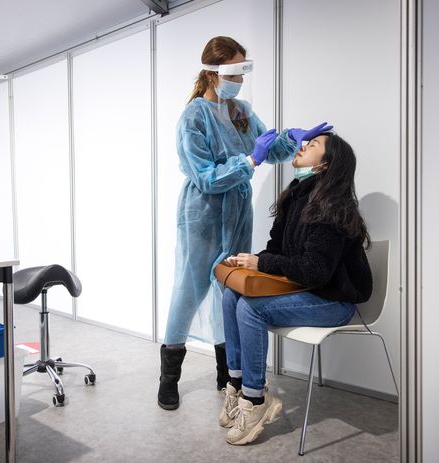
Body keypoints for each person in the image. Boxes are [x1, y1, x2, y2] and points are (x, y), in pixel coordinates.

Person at [157, 36, 306, 411]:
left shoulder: (241, 111)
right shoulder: (193, 117)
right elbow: (206, 177)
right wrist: (249, 162)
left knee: (229, 288)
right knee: (188, 292)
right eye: (234, 73)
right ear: (212, 73)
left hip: (238, 211)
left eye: (243, 73)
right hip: (203, 213)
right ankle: (168, 380)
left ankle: (226, 374)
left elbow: (268, 148)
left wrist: (293, 139)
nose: (239, 81)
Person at [217, 131, 373, 445]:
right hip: (306, 289)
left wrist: (261, 264)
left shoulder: (335, 206)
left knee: (250, 309)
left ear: (325, 165)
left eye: (312, 145)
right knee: (232, 294)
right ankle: (237, 384)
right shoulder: (295, 196)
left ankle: (255, 400)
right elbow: (277, 250)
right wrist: (250, 261)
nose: (302, 147)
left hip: (334, 301)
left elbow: (315, 271)